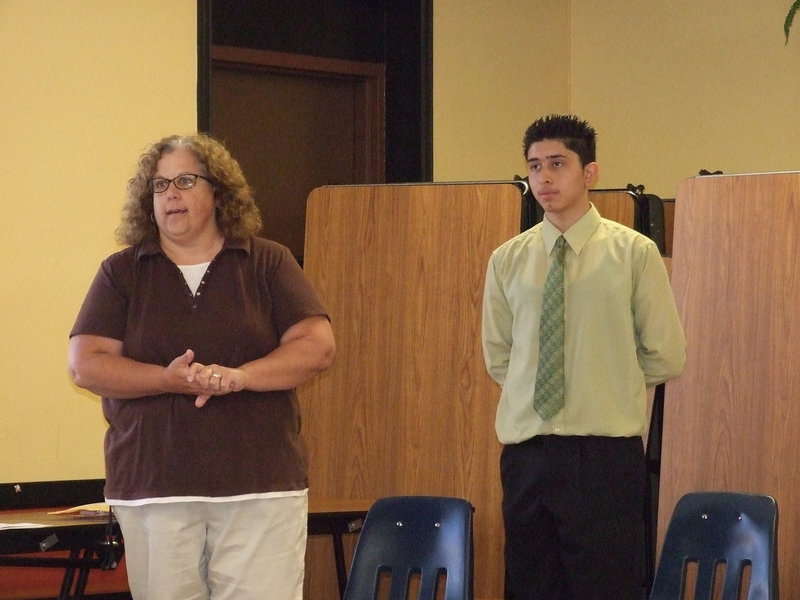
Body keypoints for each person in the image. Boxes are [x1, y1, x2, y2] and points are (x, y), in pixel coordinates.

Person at [68, 133, 335, 600]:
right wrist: (165, 379)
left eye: (185, 180)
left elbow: (316, 346)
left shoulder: (266, 261)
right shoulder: (121, 272)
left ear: (218, 192)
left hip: (260, 488)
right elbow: (86, 365)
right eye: (159, 185)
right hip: (155, 490)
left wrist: (242, 377)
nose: (170, 193)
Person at [481, 114, 685, 600]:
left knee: (605, 586)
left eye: (558, 163)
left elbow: (665, 355)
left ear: (589, 173)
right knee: (530, 584)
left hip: (603, 454)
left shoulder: (634, 253)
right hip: (527, 453)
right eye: (534, 166)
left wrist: (607, 385)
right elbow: (499, 356)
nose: (544, 178)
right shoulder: (507, 258)